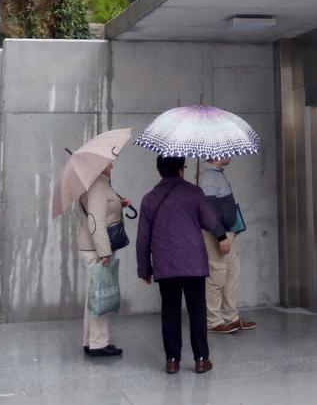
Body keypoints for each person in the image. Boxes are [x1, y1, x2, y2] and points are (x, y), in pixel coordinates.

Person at [137, 155, 230, 374]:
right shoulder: (194, 192)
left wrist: (144, 269)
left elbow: (143, 238)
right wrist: (222, 236)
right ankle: (200, 359)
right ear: (181, 169)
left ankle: (172, 360)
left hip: (165, 264)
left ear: (160, 171)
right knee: (197, 310)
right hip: (193, 263)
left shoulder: (149, 198)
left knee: (170, 312)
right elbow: (209, 219)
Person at [199, 158, 257, 335]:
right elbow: (209, 211)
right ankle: (214, 321)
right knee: (216, 277)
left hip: (227, 233)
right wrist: (221, 235)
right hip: (219, 235)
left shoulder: (218, 175)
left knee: (232, 274)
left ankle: (230, 317)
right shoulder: (208, 177)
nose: (230, 155)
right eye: (226, 152)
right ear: (216, 154)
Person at [77, 165, 130, 357]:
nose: (113, 165)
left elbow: (100, 210)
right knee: (101, 294)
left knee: (94, 293)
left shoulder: (96, 182)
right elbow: (95, 221)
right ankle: (98, 343)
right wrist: (104, 252)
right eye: (109, 162)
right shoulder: (98, 184)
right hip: (97, 249)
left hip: (92, 247)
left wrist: (118, 205)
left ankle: (89, 340)